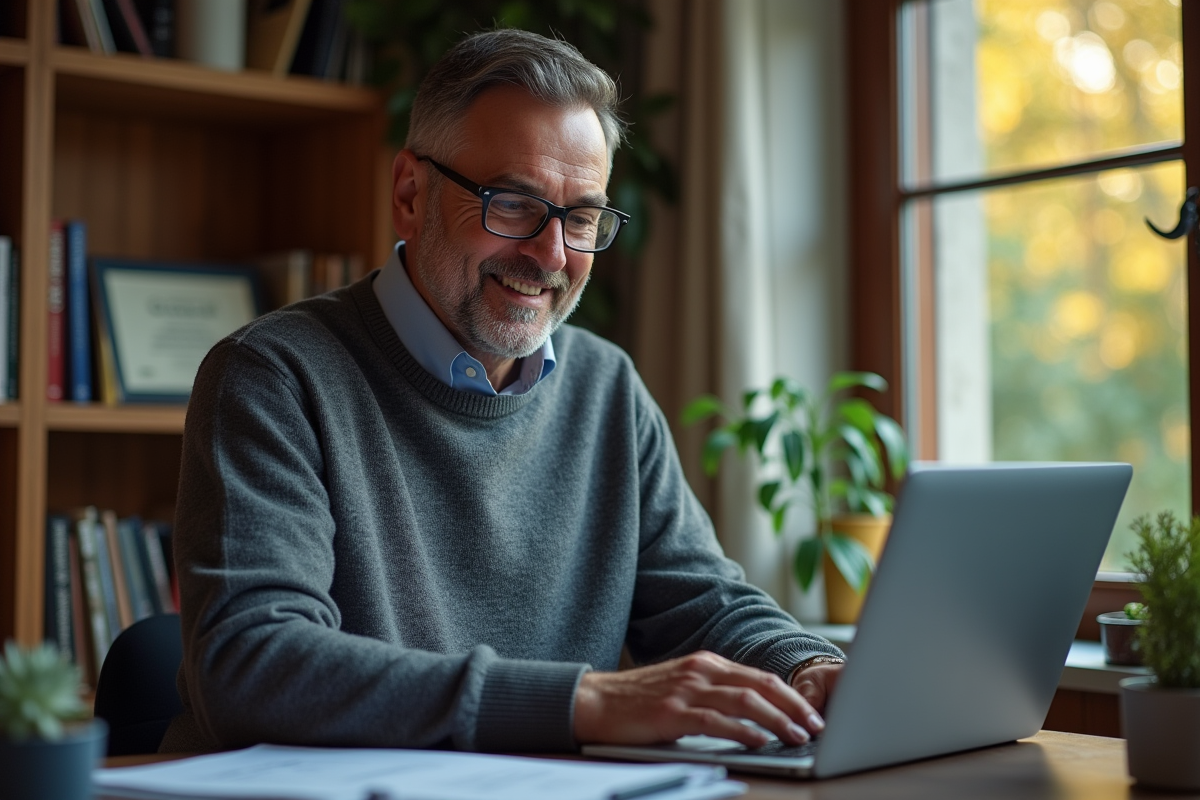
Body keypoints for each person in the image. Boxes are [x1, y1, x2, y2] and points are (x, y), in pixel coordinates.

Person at [161, 28, 845, 755]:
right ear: (409, 194)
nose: (550, 255)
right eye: (513, 204)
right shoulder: (274, 375)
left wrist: (809, 666)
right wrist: (583, 702)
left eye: (581, 217)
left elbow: (704, 601)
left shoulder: (606, 386)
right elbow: (251, 664)